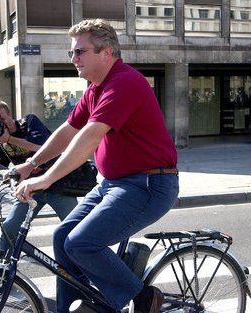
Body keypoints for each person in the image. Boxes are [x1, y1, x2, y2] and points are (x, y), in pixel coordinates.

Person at [14, 19, 179, 313]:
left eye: (80, 52)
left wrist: (46, 179)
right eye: (72, 53)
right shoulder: (95, 89)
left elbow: (89, 137)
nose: (74, 59)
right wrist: (31, 164)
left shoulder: (124, 83)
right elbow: (68, 131)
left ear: (106, 53)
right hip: (114, 184)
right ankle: (76, 307)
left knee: (81, 243)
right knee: (62, 237)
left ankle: (143, 297)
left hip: (147, 185)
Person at [0, 100, 78, 253]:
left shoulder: (29, 122)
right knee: (9, 227)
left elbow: (42, 147)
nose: (0, 123)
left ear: (10, 114)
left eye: (2, 119)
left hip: (57, 185)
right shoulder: (2, 141)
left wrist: (9, 139)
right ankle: (4, 270)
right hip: (29, 191)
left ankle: (83, 268)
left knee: (76, 228)